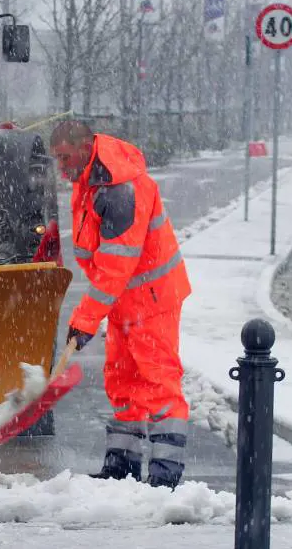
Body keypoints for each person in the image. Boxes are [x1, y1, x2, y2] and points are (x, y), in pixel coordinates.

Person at [49, 120, 192, 490]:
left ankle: (165, 474)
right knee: (122, 380)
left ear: (84, 149)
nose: (60, 167)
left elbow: (116, 266)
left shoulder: (119, 189)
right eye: (56, 159)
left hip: (152, 300)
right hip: (125, 301)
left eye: (64, 157)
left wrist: (85, 320)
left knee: (158, 382)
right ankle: (121, 467)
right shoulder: (91, 179)